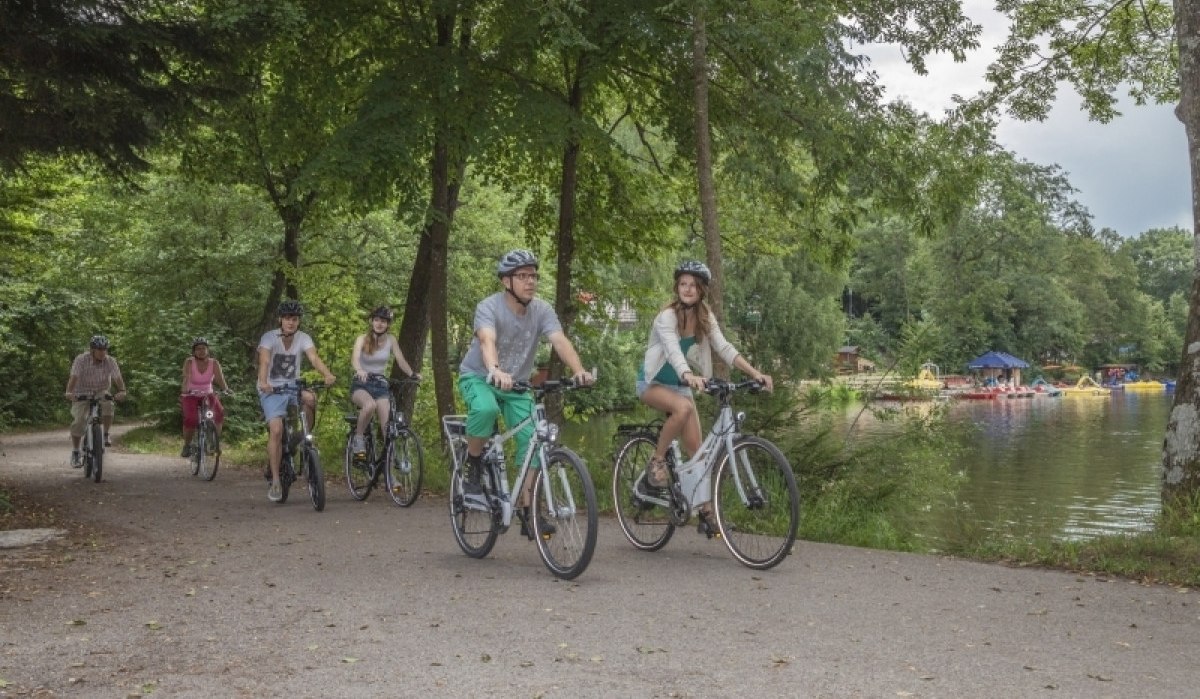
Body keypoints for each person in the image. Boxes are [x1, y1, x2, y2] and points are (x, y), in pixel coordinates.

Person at [458, 249, 595, 537]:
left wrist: (578, 370)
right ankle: (472, 464)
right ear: (506, 281)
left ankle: (527, 508)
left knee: (534, 440)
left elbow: (559, 341)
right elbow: (487, 339)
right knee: (485, 410)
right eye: (522, 276)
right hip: (481, 376)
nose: (530, 281)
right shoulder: (489, 307)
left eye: (533, 275)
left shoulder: (541, 310)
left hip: (517, 385)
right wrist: (495, 369)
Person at [636, 261, 773, 532]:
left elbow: (724, 347)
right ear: (677, 288)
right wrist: (688, 375)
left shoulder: (704, 317)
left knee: (698, 453)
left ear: (701, 290)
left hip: (682, 385)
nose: (687, 289)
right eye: (683, 284)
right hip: (652, 383)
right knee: (683, 408)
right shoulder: (667, 317)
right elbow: (673, 351)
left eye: (693, 285)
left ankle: (706, 514)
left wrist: (756, 373)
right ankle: (657, 461)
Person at [257, 300, 336, 502]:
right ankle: (275, 480)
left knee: (311, 399)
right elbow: (265, 361)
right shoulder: (269, 338)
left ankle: (303, 440)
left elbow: (314, 358)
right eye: (287, 319)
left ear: (298, 321)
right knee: (276, 430)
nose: (291, 323)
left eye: (294, 319)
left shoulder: (303, 338)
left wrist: (327, 374)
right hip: (272, 389)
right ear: (280, 320)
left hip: (293, 387)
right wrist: (264, 382)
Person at [349, 306, 419, 456]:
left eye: (383, 321)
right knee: (369, 406)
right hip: (361, 384)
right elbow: (355, 359)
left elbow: (400, 360)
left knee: (388, 428)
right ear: (372, 321)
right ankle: (359, 437)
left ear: (388, 324)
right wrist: (360, 370)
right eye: (377, 320)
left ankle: (389, 470)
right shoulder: (362, 339)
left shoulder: (391, 340)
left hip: (380, 386)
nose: (379, 324)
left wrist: (412, 374)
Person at [64, 335, 128, 466]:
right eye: (99, 349)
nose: (103, 352)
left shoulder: (110, 361)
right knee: (79, 420)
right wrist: (69, 392)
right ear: (92, 350)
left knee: (109, 403)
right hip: (81, 392)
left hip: (101, 390)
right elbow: (74, 377)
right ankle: (76, 452)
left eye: (105, 349)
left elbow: (117, 377)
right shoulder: (81, 360)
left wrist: (122, 390)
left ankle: (105, 434)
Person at [179, 337, 231, 457]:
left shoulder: (214, 363)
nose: (201, 351)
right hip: (190, 394)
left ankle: (214, 442)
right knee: (191, 419)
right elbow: (186, 376)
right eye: (198, 349)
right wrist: (185, 389)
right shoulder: (189, 362)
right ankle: (187, 445)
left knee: (219, 413)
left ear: (208, 350)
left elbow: (219, 378)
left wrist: (226, 389)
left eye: (203, 348)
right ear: (194, 351)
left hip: (207, 394)